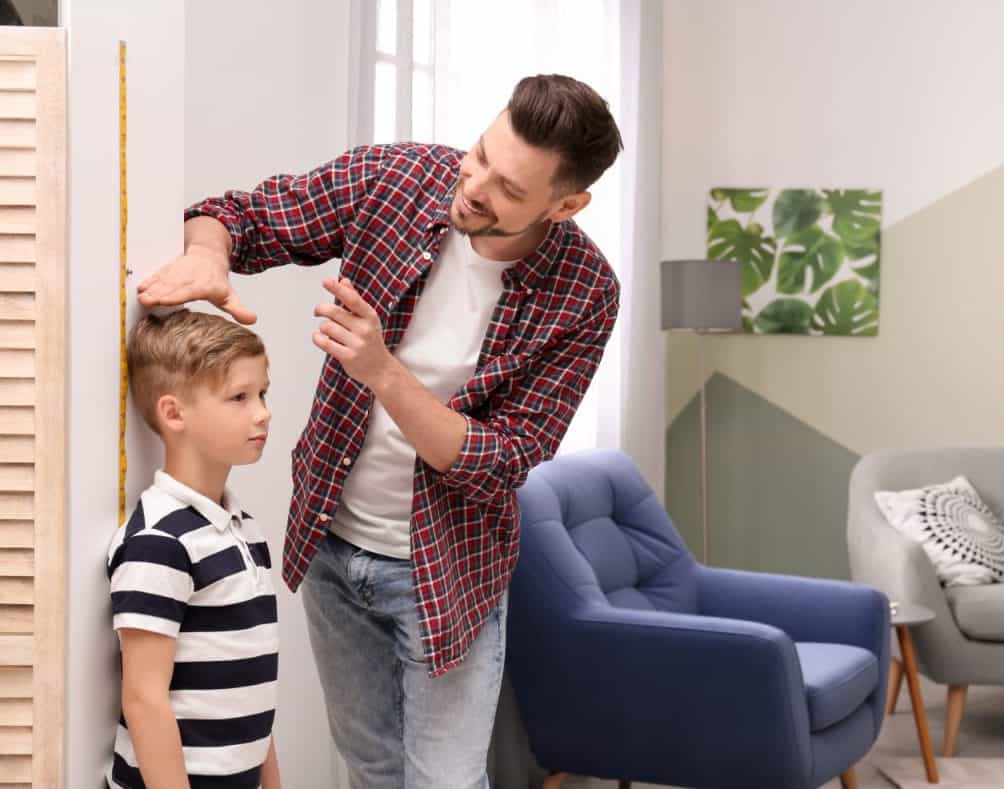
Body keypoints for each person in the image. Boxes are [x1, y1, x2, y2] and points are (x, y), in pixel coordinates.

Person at [136, 74, 623, 787]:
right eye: (482, 153)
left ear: (566, 204)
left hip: (451, 568)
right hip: (334, 551)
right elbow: (237, 216)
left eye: (511, 189)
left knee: (445, 781)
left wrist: (382, 371)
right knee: (371, 771)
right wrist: (210, 256)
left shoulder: (586, 291)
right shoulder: (396, 180)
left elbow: (502, 460)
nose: (477, 184)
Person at [106, 309, 280, 789]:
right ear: (174, 413)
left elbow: (251, 693)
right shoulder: (160, 541)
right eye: (239, 398)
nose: (262, 412)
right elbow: (143, 699)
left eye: (262, 393)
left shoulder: (243, 530)